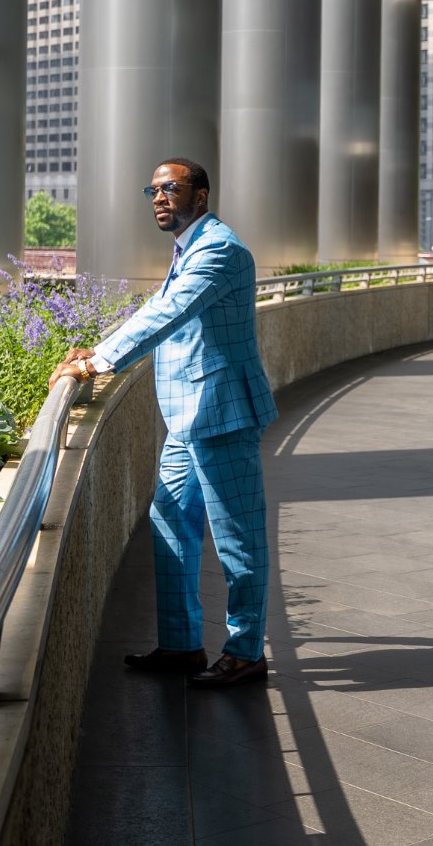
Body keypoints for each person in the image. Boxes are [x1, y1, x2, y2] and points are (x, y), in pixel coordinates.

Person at [52, 158, 275, 690]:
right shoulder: (190, 249)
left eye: (170, 188)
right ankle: (181, 645)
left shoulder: (218, 249)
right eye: (151, 189)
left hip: (221, 414)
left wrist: (98, 363)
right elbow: (158, 303)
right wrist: (100, 345)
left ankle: (246, 652)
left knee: (238, 540)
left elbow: (168, 313)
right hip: (189, 414)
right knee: (170, 520)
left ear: (200, 196)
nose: (158, 197)